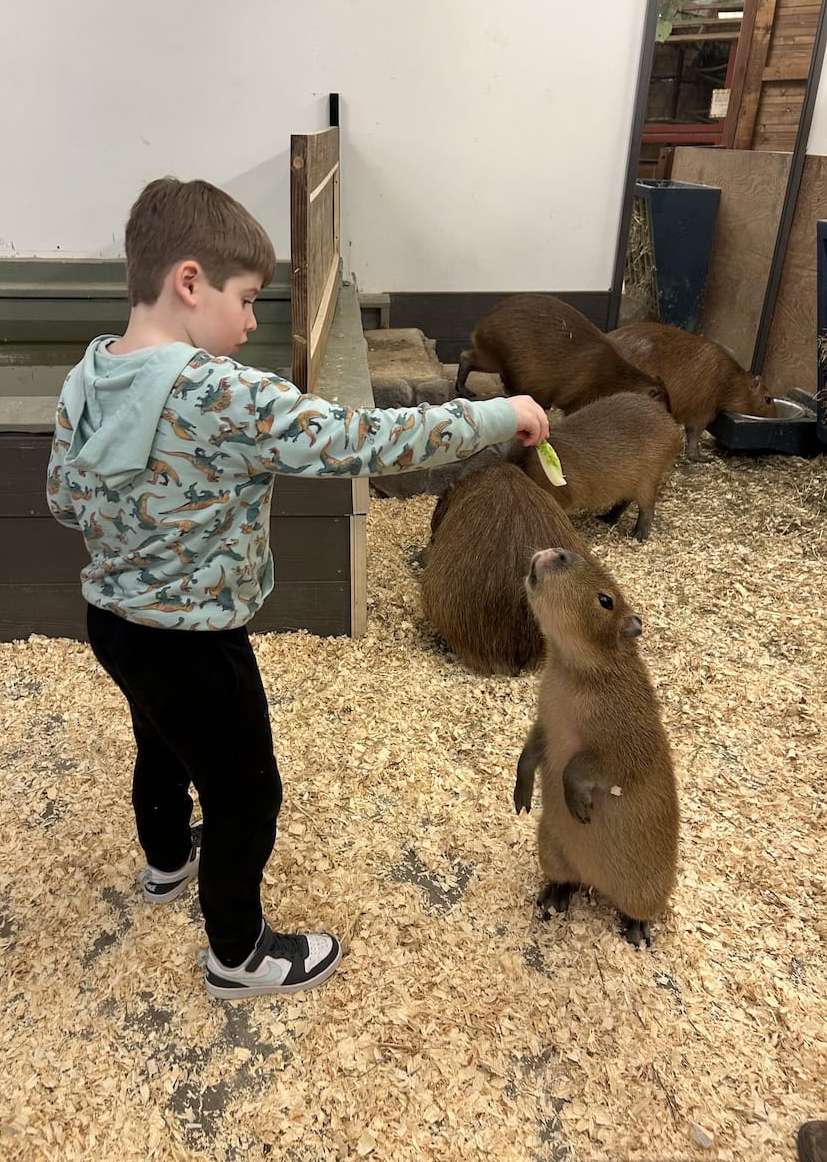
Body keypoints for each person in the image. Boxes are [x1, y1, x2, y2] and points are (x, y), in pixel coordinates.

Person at [47, 176, 549, 1001]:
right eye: (246, 299)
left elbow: (64, 501)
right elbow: (362, 439)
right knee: (246, 794)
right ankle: (238, 956)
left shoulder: (89, 375)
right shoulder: (224, 392)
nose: (251, 322)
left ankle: (166, 863)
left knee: (160, 743)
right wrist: (496, 416)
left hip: (114, 623)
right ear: (189, 282)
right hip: (198, 643)